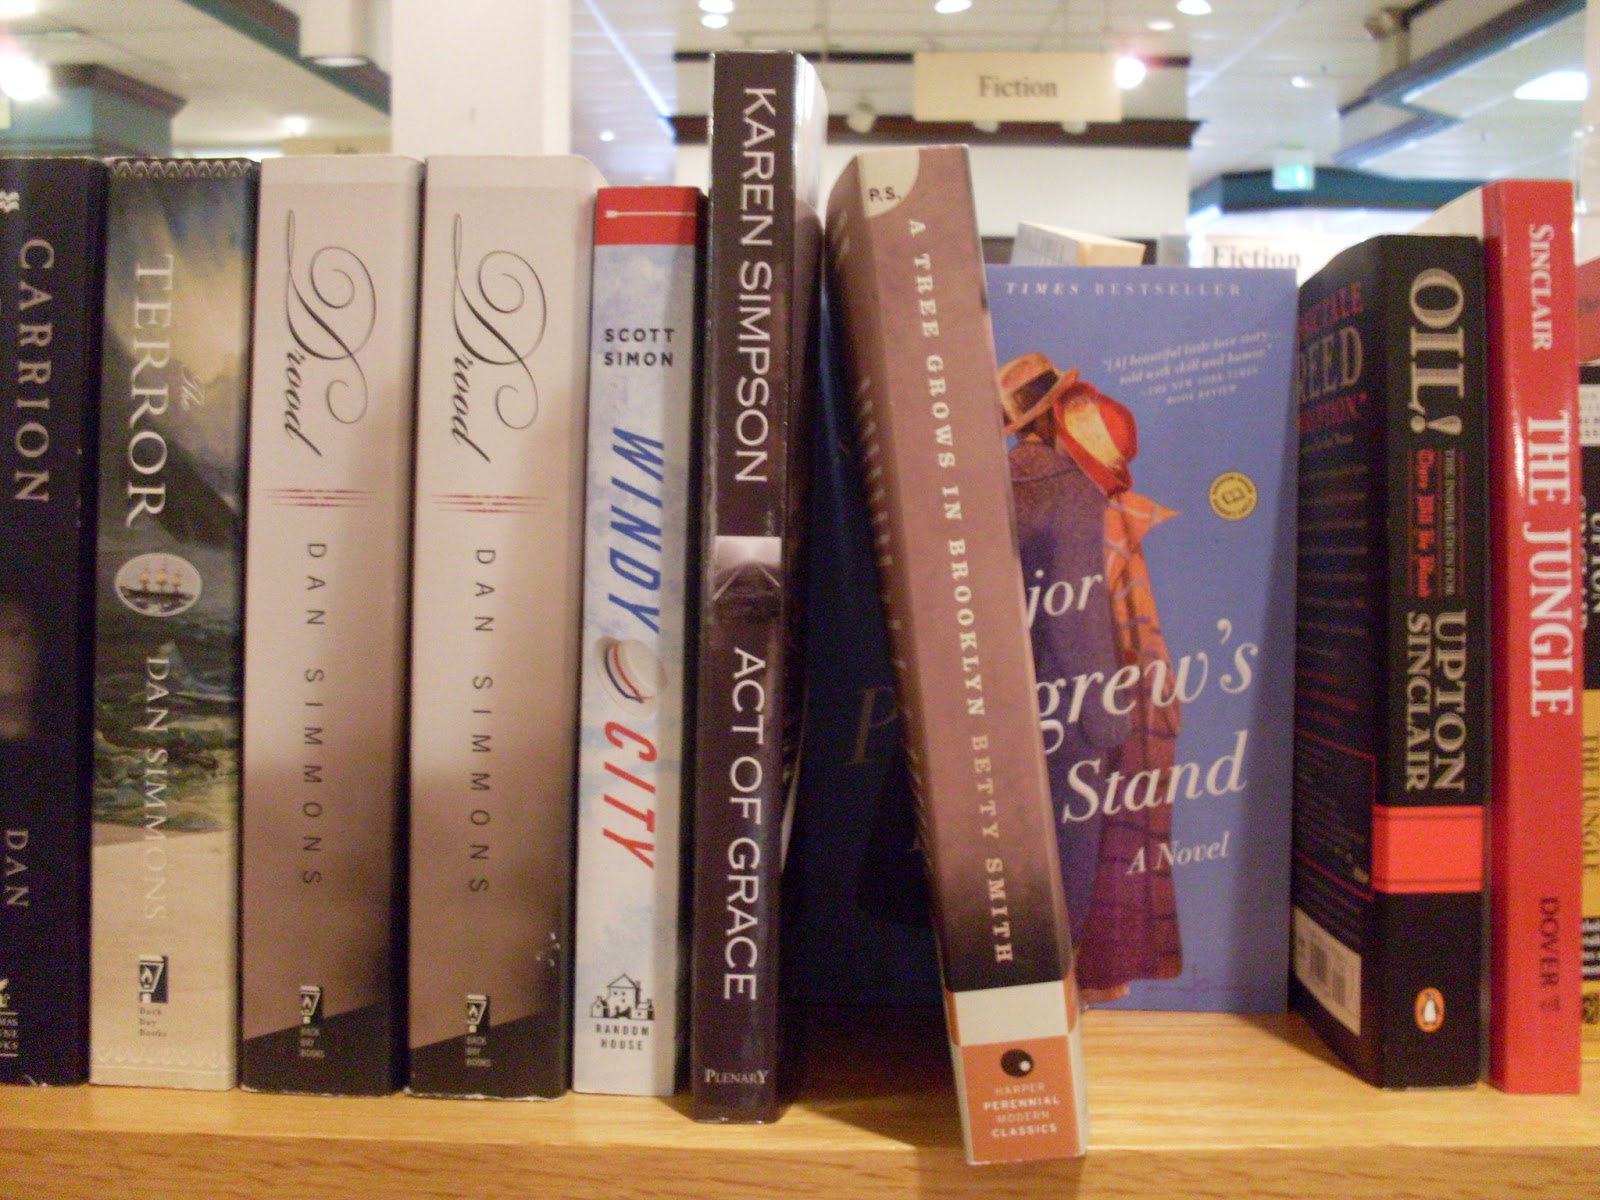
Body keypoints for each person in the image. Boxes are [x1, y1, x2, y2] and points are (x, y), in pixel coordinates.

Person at [999, 353, 1182, 1002]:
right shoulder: (1074, 495)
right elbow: (1073, 617)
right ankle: (1057, 985)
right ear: (1056, 417)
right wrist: (1107, 719)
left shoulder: (992, 483)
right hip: (1068, 707)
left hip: (1000, 697)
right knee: (1071, 855)